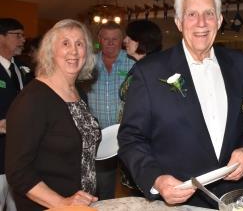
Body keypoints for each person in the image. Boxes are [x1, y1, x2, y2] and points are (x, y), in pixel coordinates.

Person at [118, 0, 243, 208]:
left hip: (235, 196)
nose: (201, 23)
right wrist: (156, 179)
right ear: (178, 22)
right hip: (179, 199)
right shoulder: (149, 72)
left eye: (209, 14)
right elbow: (131, 138)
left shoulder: (242, 65)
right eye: (192, 14)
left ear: (219, 20)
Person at [5, 19, 100, 211]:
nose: (73, 51)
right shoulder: (34, 99)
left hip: (84, 203)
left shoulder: (78, 92)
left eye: (79, 44)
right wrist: (62, 204)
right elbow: (18, 171)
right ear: (50, 51)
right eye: (65, 43)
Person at [86, 21, 134, 200]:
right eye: (106, 39)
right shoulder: (88, 63)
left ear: (122, 40)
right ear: (99, 39)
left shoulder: (132, 62)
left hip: (127, 134)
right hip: (99, 137)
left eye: (115, 39)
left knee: (133, 184)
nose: (110, 43)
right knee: (103, 185)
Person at [118, 19, 162, 193]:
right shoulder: (144, 65)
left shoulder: (151, 68)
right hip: (138, 140)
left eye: (130, 37)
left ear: (141, 41)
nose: (125, 41)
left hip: (146, 144)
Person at [0, 18, 32, 211]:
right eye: (17, 35)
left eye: (23, 35)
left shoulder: (21, 68)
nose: (23, 40)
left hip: (18, 158)